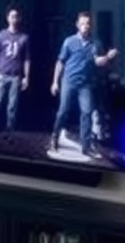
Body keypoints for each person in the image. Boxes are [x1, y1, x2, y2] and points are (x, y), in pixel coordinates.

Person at [50, 11, 118, 158]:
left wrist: (107, 56)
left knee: (87, 112)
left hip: (85, 84)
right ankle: (54, 138)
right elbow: (60, 62)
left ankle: (86, 147)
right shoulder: (69, 41)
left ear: (90, 25)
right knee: (63, 111)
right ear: (77, 25)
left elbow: (98, 62)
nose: (85, 26)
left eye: (88, 23)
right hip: (68, 81)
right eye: (82, 23)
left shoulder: (95, 43)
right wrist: (55, 82)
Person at [0, 5, 30, 131]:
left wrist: (26, 77)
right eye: (12, 16)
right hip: (1, 74)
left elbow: (27, 59)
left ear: (20, 19)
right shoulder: (0, 35)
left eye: (16, 17)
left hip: (16, 76)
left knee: (12, 105)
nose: (14, 19)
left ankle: (9, 130)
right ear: (7, 18)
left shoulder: (24, 37)